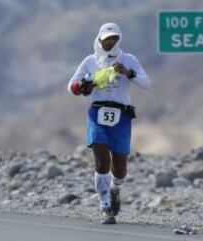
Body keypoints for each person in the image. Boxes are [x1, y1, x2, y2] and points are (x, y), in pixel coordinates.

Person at [67, 22, 151, 224]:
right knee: (102, 158)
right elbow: (71, 86)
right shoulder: (90, 61)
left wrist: (128, 73)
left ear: (119, 40)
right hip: (98, 112)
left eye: (114, 39)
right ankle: (105, 206)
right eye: (107, 39)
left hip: (121, 115)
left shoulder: (128, 60)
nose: (110, 42)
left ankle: (114, 189)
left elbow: (146, 83)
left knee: (120, 167)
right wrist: (86, 83)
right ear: (99, 39)